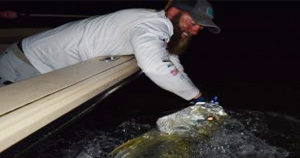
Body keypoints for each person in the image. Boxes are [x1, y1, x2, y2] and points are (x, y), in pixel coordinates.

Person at [0, 0, 220, 103]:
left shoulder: (160, 26)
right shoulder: (153, 26)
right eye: (194, 21)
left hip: (42, 66)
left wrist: (198, 94)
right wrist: (196, 97)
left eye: (202, 26)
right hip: (25, 64)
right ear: (173, 11)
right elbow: (156, 67)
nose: (197, 29)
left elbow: (171, 62)